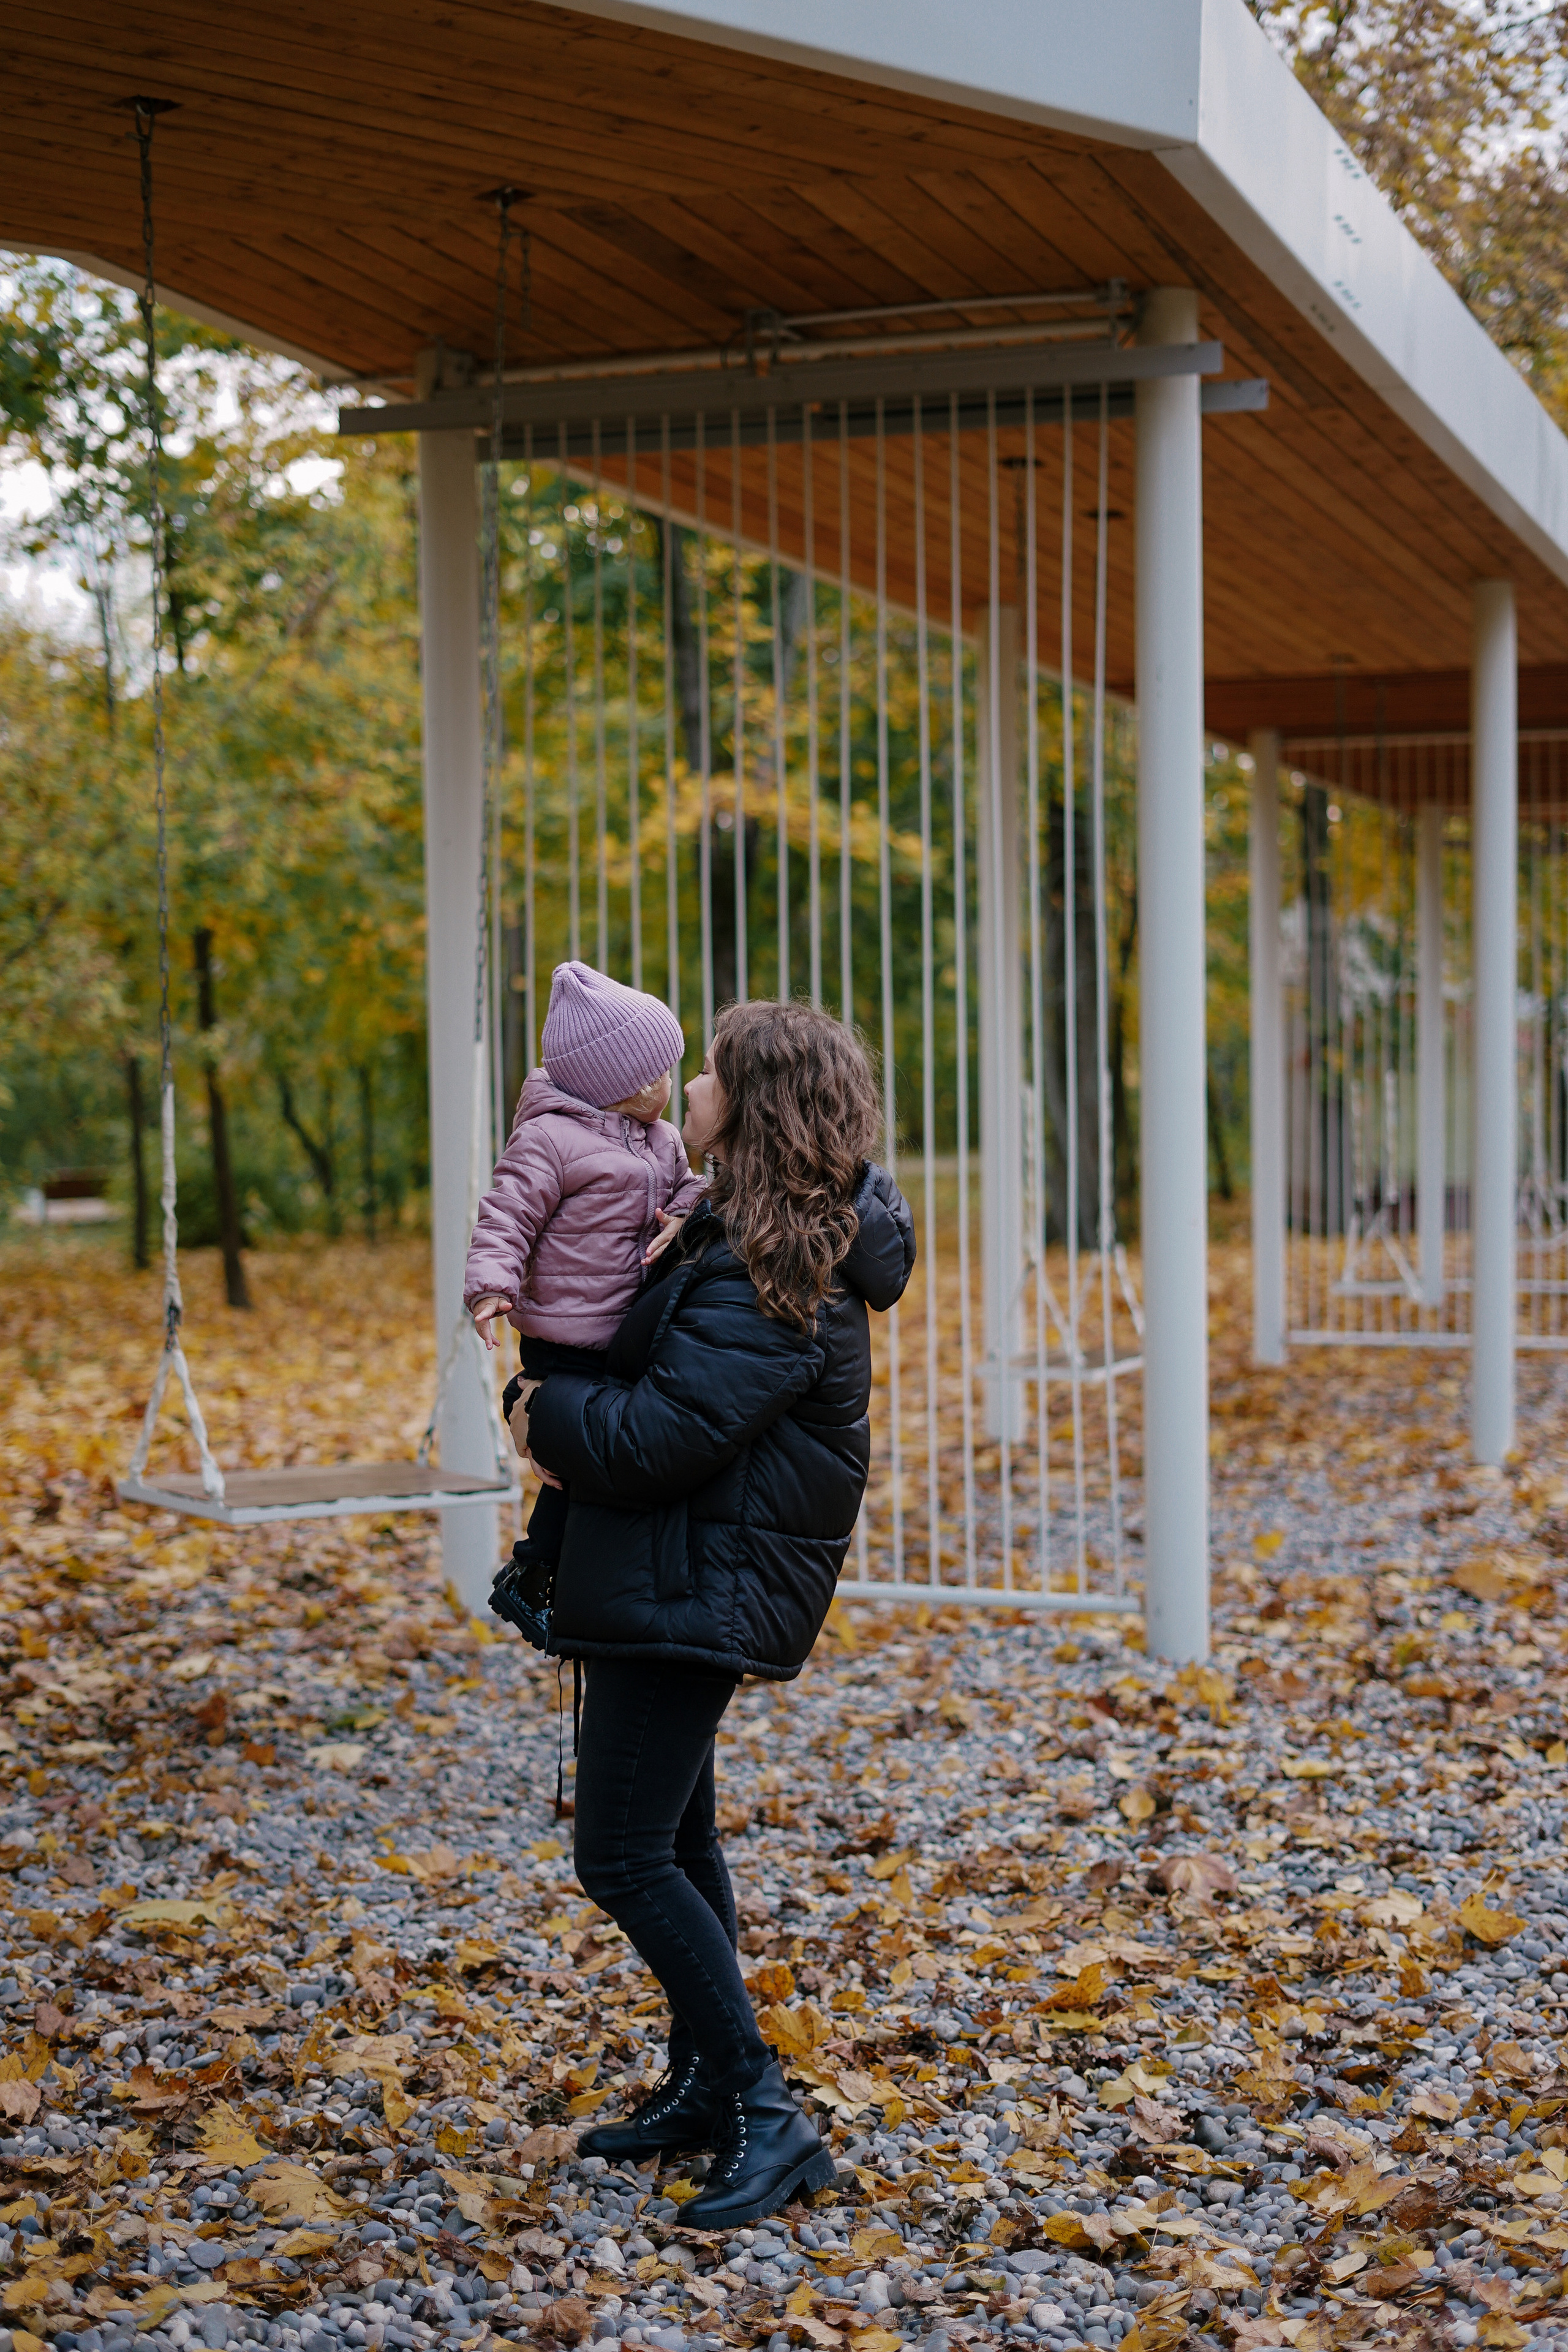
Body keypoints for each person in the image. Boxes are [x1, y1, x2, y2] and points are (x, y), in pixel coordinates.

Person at [514, 1000, 915, 2230]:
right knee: (677, 1844)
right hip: (677, 1575)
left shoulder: (770, 1269)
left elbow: (660, 1434)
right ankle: (703, 2085)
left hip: (698, 1582)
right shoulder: (736, 1231)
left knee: (621, 1854)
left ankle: (761, 2106)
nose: (684, 1093)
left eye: (708, 1078)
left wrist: (539, 1413)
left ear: (757, 1104)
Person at [464, 960, 705, 1645]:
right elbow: (506, 1215)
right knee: (571, 1470)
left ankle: (557, 1576)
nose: (670, 1087)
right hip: (563, 1337)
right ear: (613, 1086)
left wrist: (690, 1211)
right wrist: (491, 1287)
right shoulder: (550, 1140)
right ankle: (535, 1574)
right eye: (657, 1076)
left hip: (623, 1332)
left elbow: (684, 1189)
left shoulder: (661, 1141)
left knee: (601, 1465)